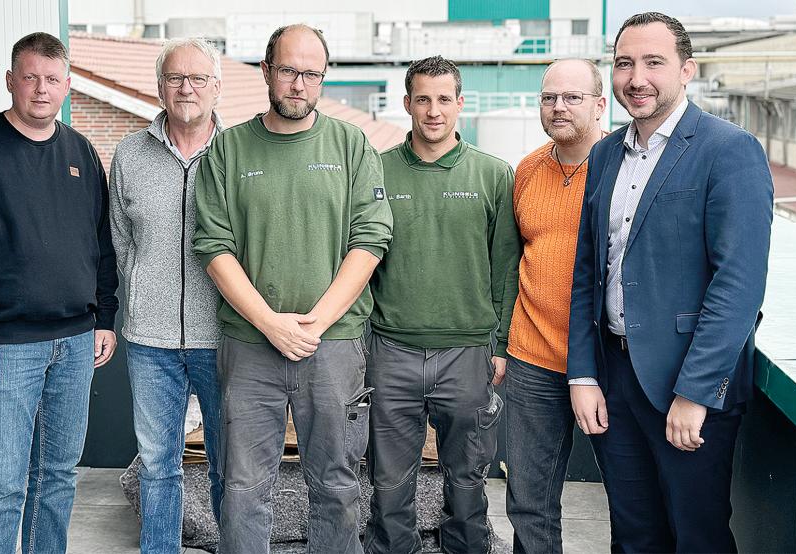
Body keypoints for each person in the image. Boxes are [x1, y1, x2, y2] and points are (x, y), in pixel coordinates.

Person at [567, 12, 773, 553]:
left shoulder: (729, 150)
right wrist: (584, 373)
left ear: (687, 70)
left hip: (687, 386)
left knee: (697, 537)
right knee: (633, 536)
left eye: (653, 63)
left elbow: (739, 285)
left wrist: (694, 393)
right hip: (615, 380)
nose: (637, 78)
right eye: (624, 64)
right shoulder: (607, 153)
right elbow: (590, 269)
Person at [192, 24, 393, 554]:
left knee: (335, 485)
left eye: (311, 74)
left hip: (334, 345)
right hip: (250, 346)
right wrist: (270, 324)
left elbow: (370, 241)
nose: (298, 84)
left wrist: (315, 324)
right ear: (265, 70)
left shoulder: (350, 145)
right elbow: (214, 248)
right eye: (288, 71)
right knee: (243, 487)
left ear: (323, 78)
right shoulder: (228, 150)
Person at [0, 32, 118, 553]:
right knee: (3, 485)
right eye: (30, 77)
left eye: (52, 79)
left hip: (76, 343)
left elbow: (101, 244)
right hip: (3, 347)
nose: (40, 89)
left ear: (68, 86)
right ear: (10, 81)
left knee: (57, 476)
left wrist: (104, 318)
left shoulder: (81, 152)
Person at [363, 55, 519, 554]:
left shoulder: (494, 174)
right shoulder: (377, 170)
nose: (434, 111)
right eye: (423, 99)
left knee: (468, 480)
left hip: (467, 354)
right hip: (392, 351)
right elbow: (361, 260)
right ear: (407, 103)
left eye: (444, 99)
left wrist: (500, 346)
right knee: (388, 480)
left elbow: (506, 269)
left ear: (460, 104)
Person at [109, 38, 224, 553]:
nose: (186, 88)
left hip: (224, 335)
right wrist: (137, 288)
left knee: (230, 462)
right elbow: (119, 237)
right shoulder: (130, 153)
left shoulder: (238, 152)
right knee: (159, 463)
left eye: (198, 78)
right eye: (176, 78)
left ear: (216, 87)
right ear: (159, 87)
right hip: (149, 337)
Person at [504, 58, 606, 554]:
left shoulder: (623, 168)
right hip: (531, 358)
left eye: (572, 98)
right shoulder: (526, 171)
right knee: (528, 502)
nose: (558, 107)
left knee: (632, 499)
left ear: (601, 104)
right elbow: (510, 261)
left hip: (609, 363)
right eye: (549, 98)